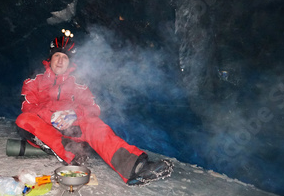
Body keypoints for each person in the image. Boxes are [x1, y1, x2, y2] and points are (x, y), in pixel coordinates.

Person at [15, 30, 173, 186]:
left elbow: (93, 107)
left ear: (70, 62)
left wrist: (74, 114)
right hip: (45, 131)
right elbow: (27, 106)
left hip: (71, 130)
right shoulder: (34, 80)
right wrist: (51, 116)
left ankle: (135, 167)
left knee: (93, 123)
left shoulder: (79, 83)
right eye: (57, 55)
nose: (60, 61)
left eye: (65, 57)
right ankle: (71, 154)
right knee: (24, 120)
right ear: (50, 58)